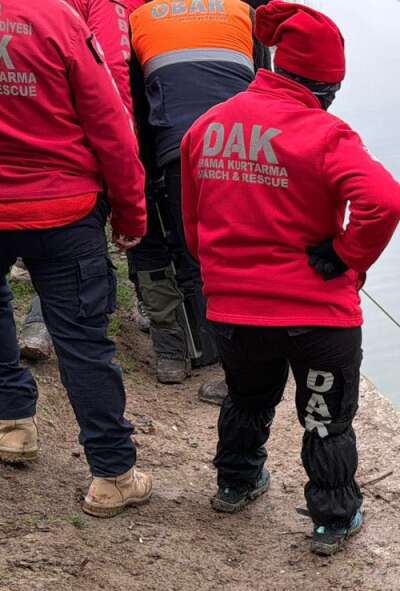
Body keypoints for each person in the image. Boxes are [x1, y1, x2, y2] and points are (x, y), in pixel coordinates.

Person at [180, 0, 400, 556]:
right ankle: (332, 519)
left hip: (235, 311)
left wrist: (225, 274)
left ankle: (235, 483)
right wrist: (348, 256)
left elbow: (193, 222)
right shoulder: (328, 134)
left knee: (247, 400)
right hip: (317, 316)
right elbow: (385, 203)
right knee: (325, 420)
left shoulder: (206, 128)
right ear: (326, 86)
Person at [0, 0, 153, 517]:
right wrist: (132, 212)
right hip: (61, 209)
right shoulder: (56, 17)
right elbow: (110, 122)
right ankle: (113, 474)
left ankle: (11, 424)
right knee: (82, 339)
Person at [127, 0, 270, 398]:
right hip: (247, 145)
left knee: (162, 241)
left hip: (175, 146)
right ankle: (243, 358)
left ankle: (172, 353)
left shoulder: (139, 19)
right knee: (235, 250)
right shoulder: (242, 12)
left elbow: (137, 104)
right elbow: (269, 88)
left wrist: (146, 172)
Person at [18, 0, 146, 362]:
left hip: (27, 126)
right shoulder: (111, 4)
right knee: (78, 247)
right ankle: (47, 327)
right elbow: (115, 71)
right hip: (88, 132)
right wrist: (124, 152)